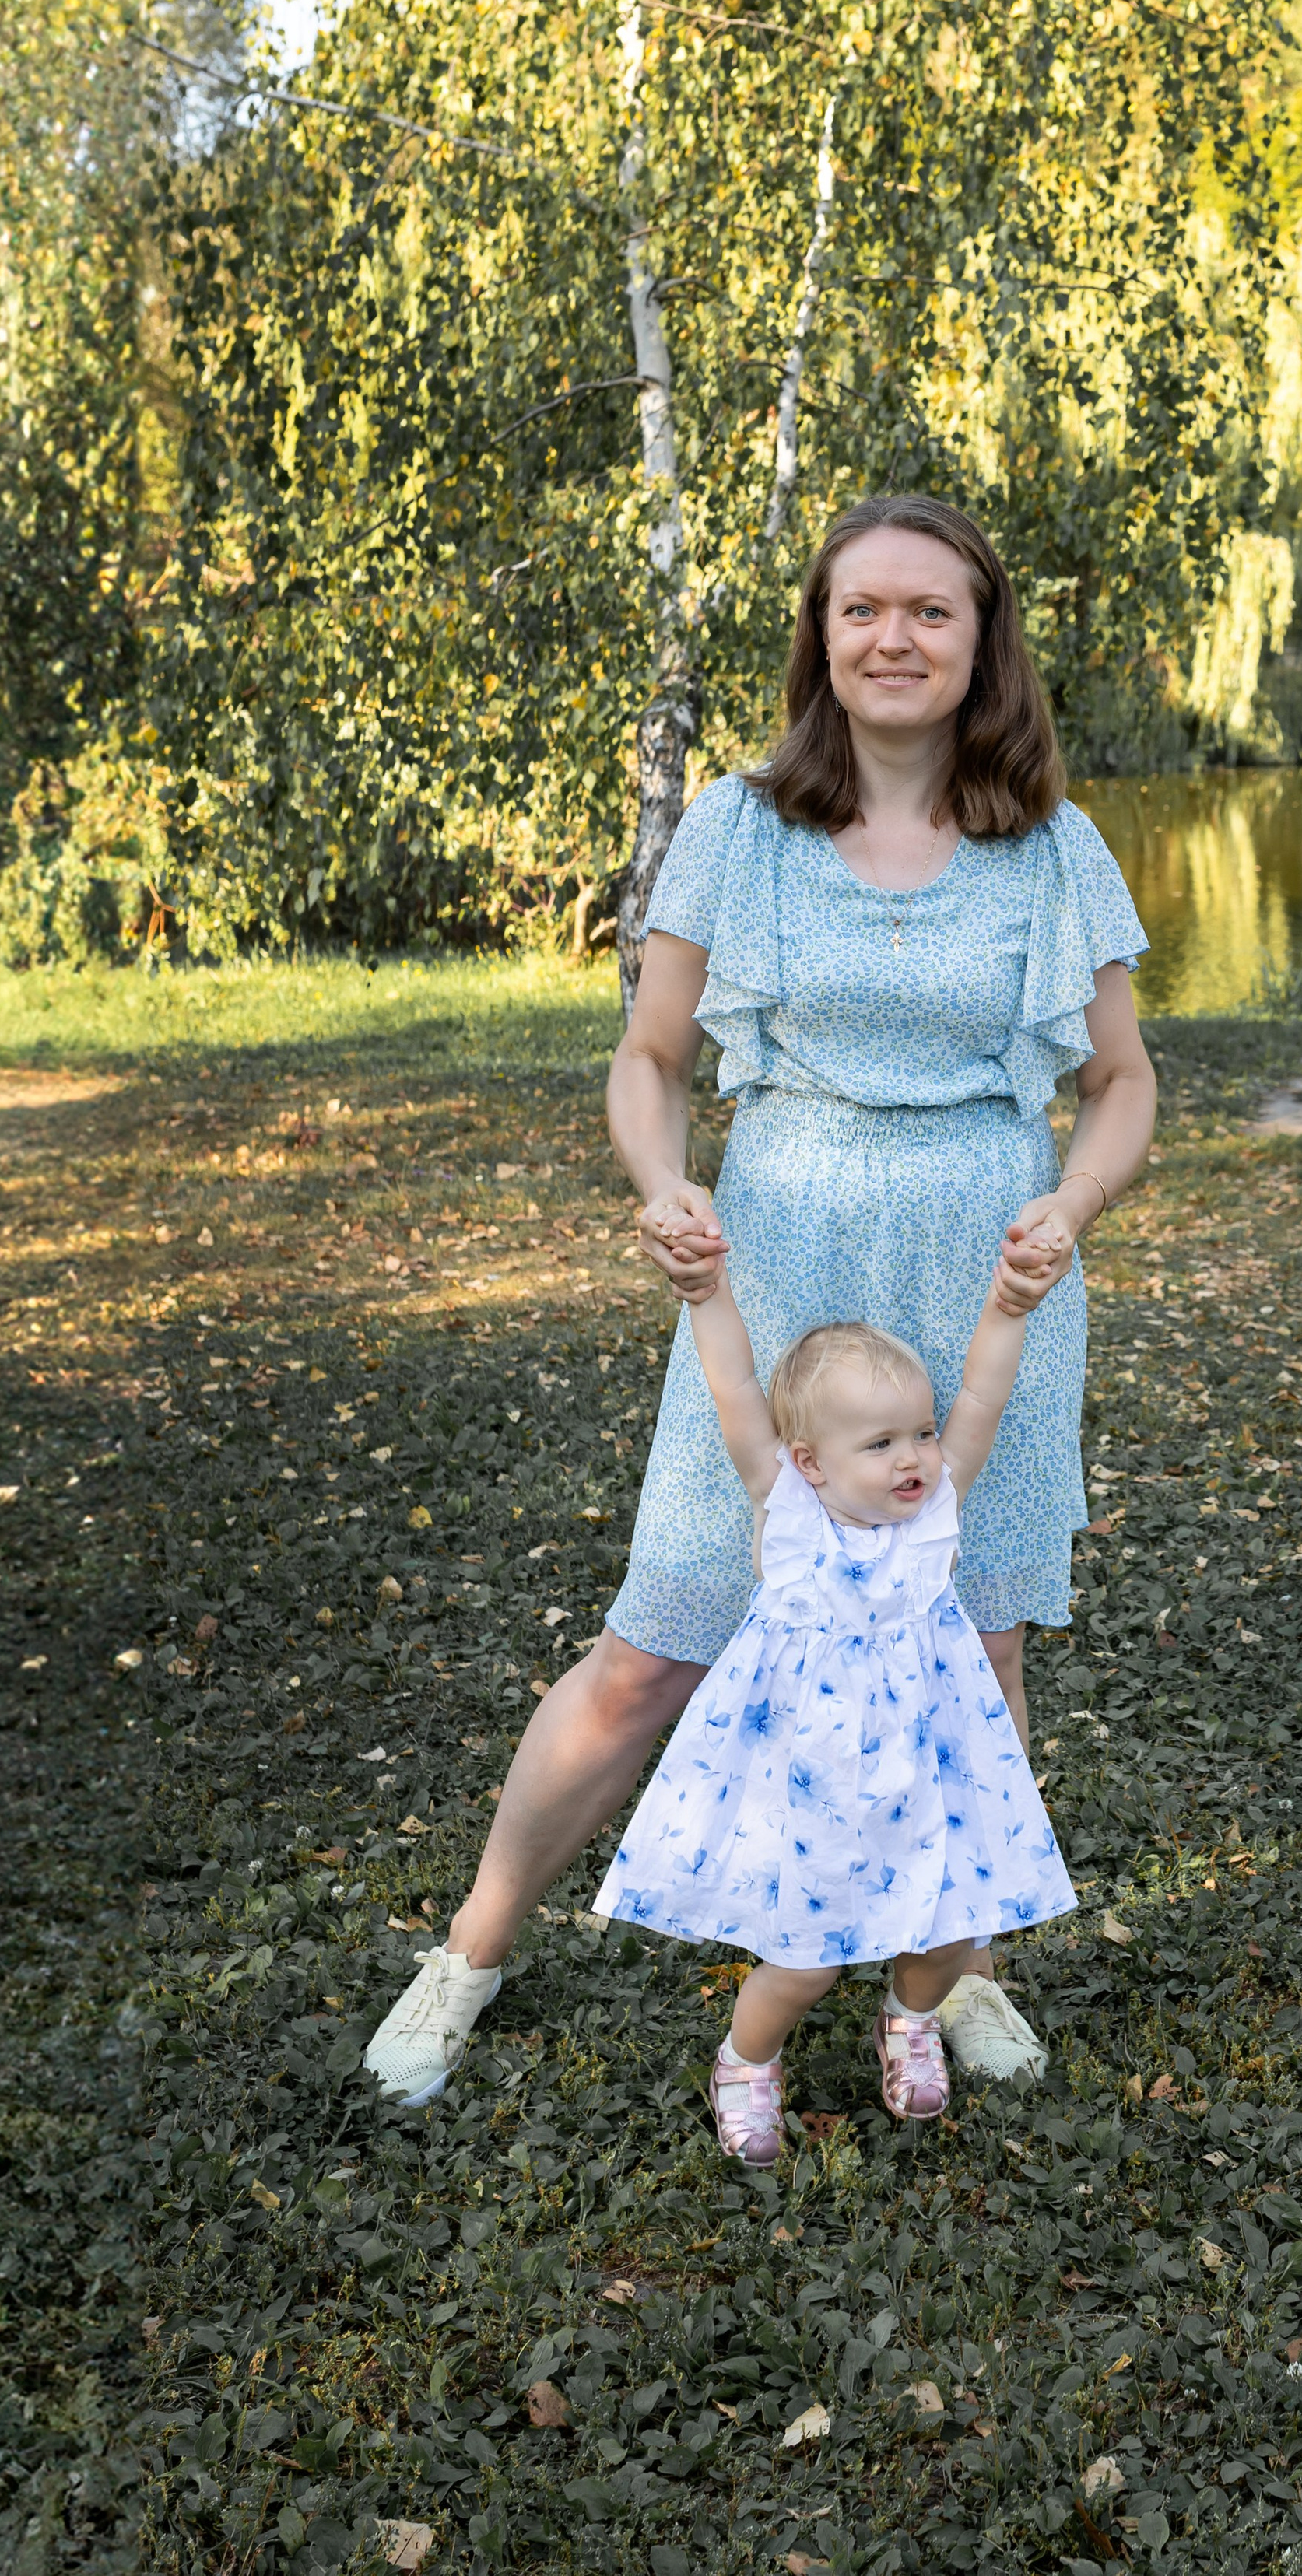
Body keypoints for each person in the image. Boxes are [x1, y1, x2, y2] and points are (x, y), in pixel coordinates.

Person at [364, 492, 1154, 2111]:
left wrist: (1068, 1202)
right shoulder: (738, 826)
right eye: (862, 608)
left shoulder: (1053, 851)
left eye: (930, 612)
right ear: (820, 636)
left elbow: (1125, 1082)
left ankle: (962, 1972)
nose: (893, 637)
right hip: (780, 1252)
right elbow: (650, 1059)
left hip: (977, 1256)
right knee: (660, 1637)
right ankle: (471, 1948)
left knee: (974, 1645)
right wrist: (663, 1188)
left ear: (980, 643)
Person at [598, 1260, 1076, 2161]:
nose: (914, 1457)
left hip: (926, 1770)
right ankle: (746, 2062)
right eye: (882, 1443)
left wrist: (1007, 1308)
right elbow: (736, 1389)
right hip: (814, 1785)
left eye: (919, 1435)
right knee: (805, 1960)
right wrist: (707, 1295)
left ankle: (908, 2021)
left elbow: (982, 1397)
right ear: (809, 1463)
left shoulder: (934, 1511)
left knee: (947, 1932)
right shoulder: (788, 1512)